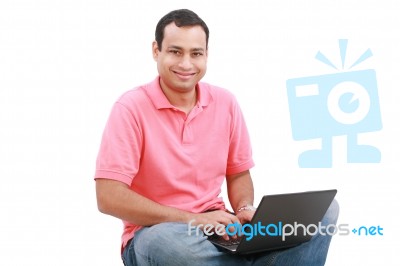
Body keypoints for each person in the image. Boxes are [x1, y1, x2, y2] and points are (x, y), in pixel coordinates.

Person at [94, 8, 339, 266]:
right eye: (175, 51)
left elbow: (238, 173)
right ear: (156, 50)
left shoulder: (225, 102)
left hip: (220, 226)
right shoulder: (130, 108)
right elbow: (108, 196)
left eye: (196, 53)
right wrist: (192, 219)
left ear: (206, 55)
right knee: (168, 245)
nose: (186, 64)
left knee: (324, 213)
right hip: (157, 231)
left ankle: (245, 256)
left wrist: (244, 209)